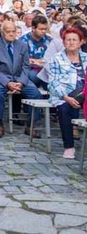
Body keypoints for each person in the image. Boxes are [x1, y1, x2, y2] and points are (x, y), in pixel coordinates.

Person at [0, 20, 43, 138]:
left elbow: (26, 66)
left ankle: (30, 125)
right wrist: (7, 83)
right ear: (2, 33)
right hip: (0, 79)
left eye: (13, 31)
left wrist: (21, 82)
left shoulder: (22, 45)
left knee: (36, 94)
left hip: (19, 78)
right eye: (8, 32)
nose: (11, 34)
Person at [47, 27, 87, 159]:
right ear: (63, 42)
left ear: (81, 42)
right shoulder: (56, 59)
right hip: (64, 95)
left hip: (84, 94)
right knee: (64, 109)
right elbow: (52, 82)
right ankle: (69, 146)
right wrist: (66, 97)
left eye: (74, 40)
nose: (71, 42)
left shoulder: (86, 58)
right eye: (68, 40)